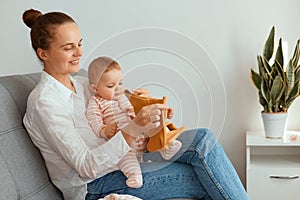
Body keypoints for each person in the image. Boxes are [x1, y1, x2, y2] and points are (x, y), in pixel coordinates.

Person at [22, 8, 249, 200]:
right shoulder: (45, 102)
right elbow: (86, 165)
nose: (79, 53)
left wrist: (148, 107)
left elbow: (122, 102)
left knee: (203, 139)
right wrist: (133, 129)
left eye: (80, 44)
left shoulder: (83, 83)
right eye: (68, 47)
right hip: (96, 183)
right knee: (205, 176)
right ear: (43, 53)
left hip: (127, 159)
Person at [86, 56, 183, 188]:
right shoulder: (96, 102)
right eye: (111, 86)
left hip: (142, 134)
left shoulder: (127, 95)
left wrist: (163, 112)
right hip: (124, 143)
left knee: (156, 126)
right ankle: (135, 175)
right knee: (126, 158)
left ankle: (166, 147)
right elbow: (94, 121)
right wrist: (104, 130)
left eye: (120, 83)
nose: (118, 89)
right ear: (95, 89)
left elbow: (147, 108)